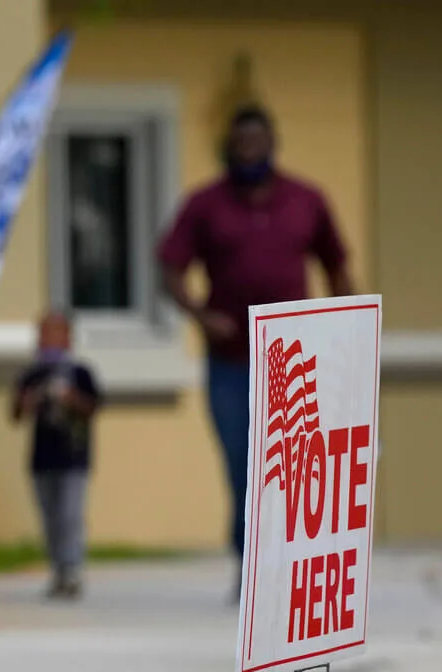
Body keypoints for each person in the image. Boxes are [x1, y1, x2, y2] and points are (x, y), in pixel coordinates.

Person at [156, 105, 354, 600]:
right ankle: (251, 567)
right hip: (232, 360)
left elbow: (337, 265)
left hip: (298, 359)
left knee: (297, 465)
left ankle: (293, 570)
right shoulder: (206, 205)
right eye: (240, 143)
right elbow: (170, 269)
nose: (249, 151)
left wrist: (347, 328)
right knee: (246, 465)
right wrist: (201, 316)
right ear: (229, 148)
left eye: (257, 142)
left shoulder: (305, 200)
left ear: (272, 143)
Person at [11, 311, 102, 600]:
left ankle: (72, 569)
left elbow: (94, 408)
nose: (46, 340)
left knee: (70, 515)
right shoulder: (32, 374)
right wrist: (29, 401)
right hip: (42, 458)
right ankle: (58, 570)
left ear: (67, 337)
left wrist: (70, 398)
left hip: (74, 457)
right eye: (42, 333)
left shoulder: (80, 373)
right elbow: (15, 415)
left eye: (52, 333)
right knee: (51, 517)